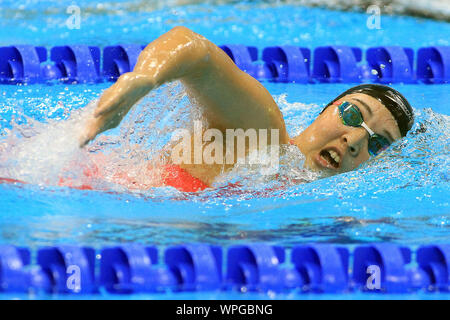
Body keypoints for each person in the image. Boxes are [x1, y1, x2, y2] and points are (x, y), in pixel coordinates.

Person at [78, 26, 414, 192]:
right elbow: (196, 50)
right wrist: (146, 76)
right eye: (353, 115)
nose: (354, 140)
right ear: (326, 109)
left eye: (376, 143)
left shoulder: (296, 194)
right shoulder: (263, 134)